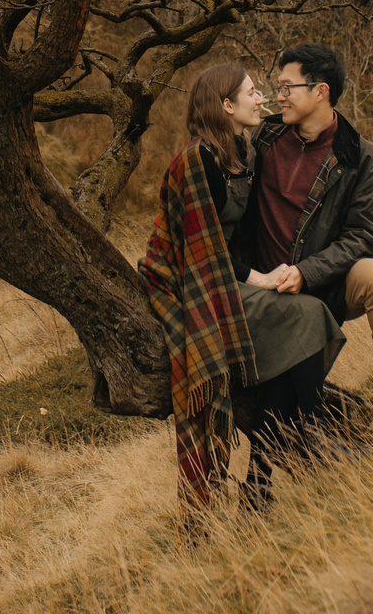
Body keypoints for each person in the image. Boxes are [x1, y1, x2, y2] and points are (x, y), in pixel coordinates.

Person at [139, 61, 343, 513]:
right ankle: (306, 440)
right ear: (227, 105)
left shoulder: (242, 151)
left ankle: (261, 480)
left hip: (224, 273)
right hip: (189, 280)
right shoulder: (199, 161)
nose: (262, 99)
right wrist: (261, 279)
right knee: (307, 315)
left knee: (294, 340)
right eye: (252, 93)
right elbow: (202, 251)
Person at [241, 42, 373, 418]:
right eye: (277, 88)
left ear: (320, 91)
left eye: (286, 88)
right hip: (261, 280)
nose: (279, 97)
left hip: (325, 281)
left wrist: (307, 272)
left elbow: (365, 234)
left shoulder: (360, 157)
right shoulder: (264, 138)